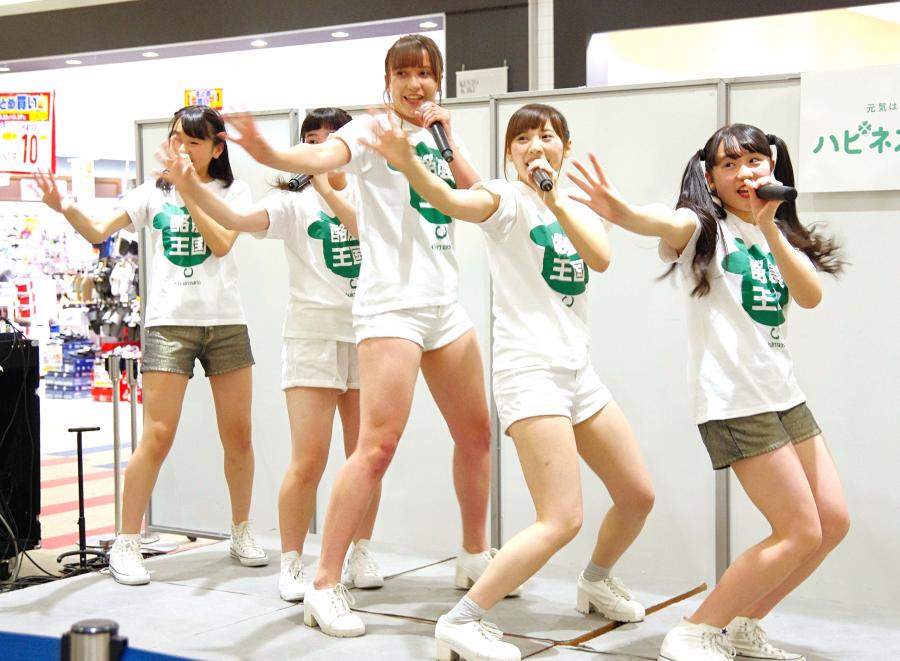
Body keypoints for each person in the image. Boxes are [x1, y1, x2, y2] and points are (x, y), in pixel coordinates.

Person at [221, 34, 495, 637]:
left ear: (439, 80)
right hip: (391, 306)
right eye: (404, 74)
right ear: (387, 82)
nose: (415, 84)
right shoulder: (371, 129)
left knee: (476, 434)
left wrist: (448, 140)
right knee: (376, 447)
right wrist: (269, 151)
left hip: (443, 305)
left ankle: (474, 554)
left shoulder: (441, 133)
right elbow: (323, 156)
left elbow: (481, 196)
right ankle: (323, 583)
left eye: (426, 73)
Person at [362, 103, 655, 661]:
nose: (534, 147)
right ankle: (462, 619)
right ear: (508, 154)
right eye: (522, 140)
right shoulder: (504, 199)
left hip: (578, 372)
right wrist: (410, 162)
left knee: (638, 495)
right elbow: (451, 200)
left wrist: (557, 200)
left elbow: (600, 258)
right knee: (562, 518)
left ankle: (596, 581)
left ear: (565, 147)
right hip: (530, 373)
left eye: (546, 136)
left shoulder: (573, 206)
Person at [565, 124, 849, 661]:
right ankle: (694, 630)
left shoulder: (775, 232)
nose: (745, 173)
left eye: (755, 161)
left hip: (783, 395)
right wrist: (621, 212)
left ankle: (743, 624)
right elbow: (663, 221)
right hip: (735, 401)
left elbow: (809, 295)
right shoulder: (705, 228)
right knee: (797, 530)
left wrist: (768, 228)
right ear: (710, 178)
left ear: (773, 166)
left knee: (831, 522)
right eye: (729, 165)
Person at [156, 107, 385, 602]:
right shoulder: (290, 201)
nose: (320, 148)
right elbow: (236, 221)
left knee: (366, 456)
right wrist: (190, 185)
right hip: (310, 337)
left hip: (368, 333)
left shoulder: (373, 195)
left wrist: (329, 188)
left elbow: (368, 231)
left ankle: (360, 550)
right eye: (310, 140)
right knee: (309, 459)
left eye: (331, 139)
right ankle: (293, 561)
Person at [35, 105, 268, 586]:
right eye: (175, 138)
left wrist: (190, 189)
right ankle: (126, 541)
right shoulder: (150, 193)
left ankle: (241, 530)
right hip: (168, 324)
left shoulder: (234, 192)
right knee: (156, 435)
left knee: (239, 437)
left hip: (225, 323)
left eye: (193, 141)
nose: (180, 148)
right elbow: (98, 231)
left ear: (216, 149)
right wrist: (65, 207)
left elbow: (221, 243)